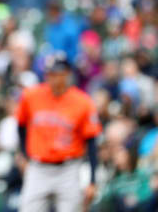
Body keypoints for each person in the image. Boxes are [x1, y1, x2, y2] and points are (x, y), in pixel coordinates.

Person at [16, 54, 102, 212]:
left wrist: (92, 181)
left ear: (68, 73)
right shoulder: (31, 96)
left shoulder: (83, 102)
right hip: (38, 168)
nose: (51, 77)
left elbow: (92, 143)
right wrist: (23, 154)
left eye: (56, 73)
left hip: (68, 170)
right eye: (49, 73)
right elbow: (20, 125)